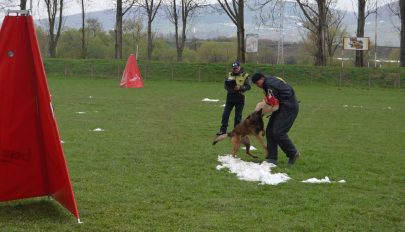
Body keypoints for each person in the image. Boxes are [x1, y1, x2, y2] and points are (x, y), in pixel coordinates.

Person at [251, 72, 300, 165]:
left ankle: (293, 153)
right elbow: (269, 101)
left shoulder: (269, 86)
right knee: (269, 131)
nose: (258, 86)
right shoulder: (267, 80)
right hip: (283, 105)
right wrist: (259, 108)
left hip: (288, 107)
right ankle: (272, 158)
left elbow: (274, 107)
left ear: (261, 79)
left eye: (257, 84)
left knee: (278, 132)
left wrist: (259, 115)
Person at [216, 61, 251, 136]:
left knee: (238, 117)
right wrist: (231, 88)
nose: (235, 69)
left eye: (236, 68)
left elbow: (249, 86)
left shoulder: (245, 75)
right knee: (225, 115)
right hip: (230, 97)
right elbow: (225, 85)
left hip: (240, 98)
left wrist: (240, 87)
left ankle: (236, 132)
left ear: (239, 67)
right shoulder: (229, 74)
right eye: (234, 68)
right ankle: (222, 131)